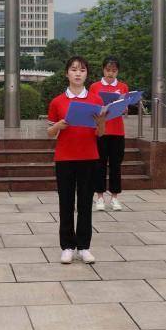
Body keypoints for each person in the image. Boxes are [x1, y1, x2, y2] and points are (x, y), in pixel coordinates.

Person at [48, 55, 107, 264]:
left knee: (85, 203)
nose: (78, 74)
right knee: (66, 203)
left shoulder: (96, 100)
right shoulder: (57, 101)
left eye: (82, 70)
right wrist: (58, 125)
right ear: (67, 73)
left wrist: (101, 122)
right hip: (65, 158)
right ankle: (67, 246)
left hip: (89, 157)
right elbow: (50, 132)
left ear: (87, 74)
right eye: (73, 70)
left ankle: (83, 247)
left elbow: (100, 133)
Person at [89, 56, 129, 211]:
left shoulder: (123, 87)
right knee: (99, 165)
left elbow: (125, 109)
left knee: (115, 165)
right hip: (100, 131)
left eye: (114, 71)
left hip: (117, 131)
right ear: (103, 69)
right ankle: (99, 197)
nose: (110, 73)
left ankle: (114, 198)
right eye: (108, 70)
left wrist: (124, 108)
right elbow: (91, 106)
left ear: (117, 71)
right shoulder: (95, 87)